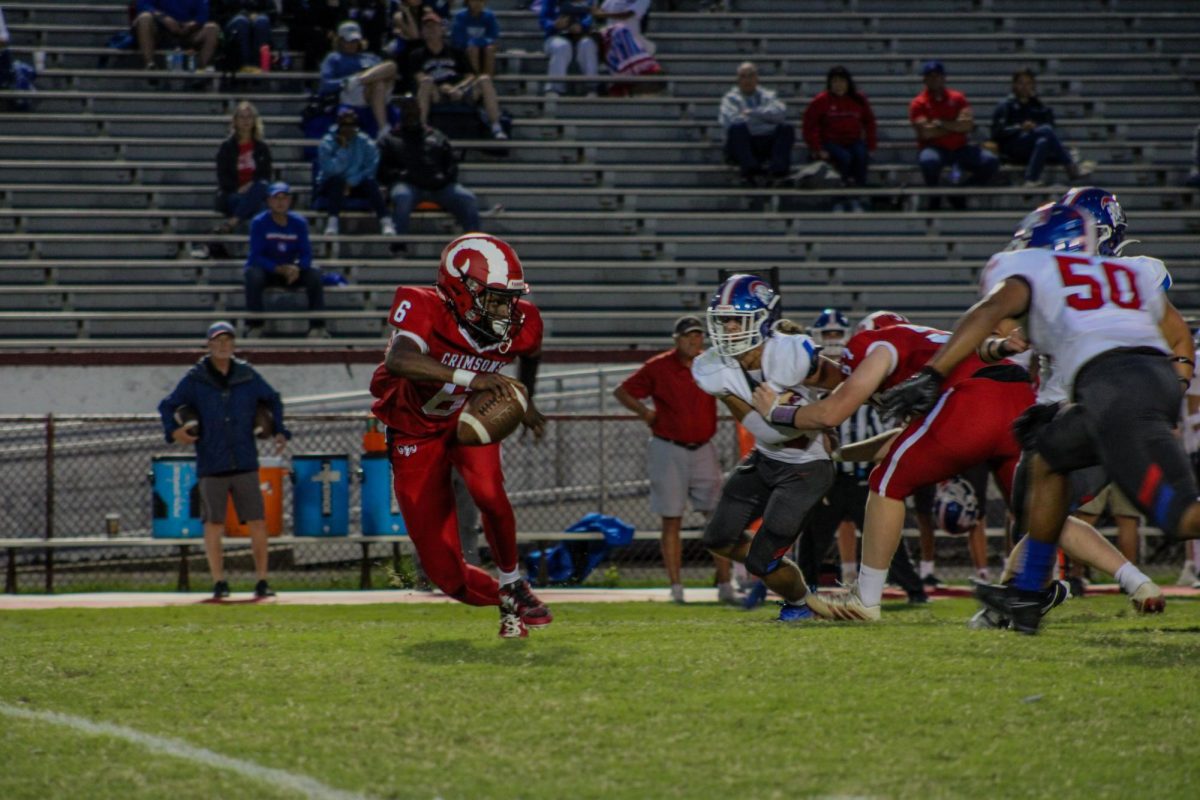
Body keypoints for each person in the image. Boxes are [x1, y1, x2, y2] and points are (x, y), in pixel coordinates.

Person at [882, 202, 1198, 633]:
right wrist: (1175, 386)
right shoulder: (1127, 274)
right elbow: (1178, 328)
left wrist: (932, 374)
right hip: (1126, 386)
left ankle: (1031, 591)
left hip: (1114, 390)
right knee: (1046, 458)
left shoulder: (1040, 269)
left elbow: (986, 313)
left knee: (1180, 518)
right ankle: (1028, 595)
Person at [754, 305, 1155, 624]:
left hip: (974, 401)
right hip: (1015, 398)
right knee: (1042, 512)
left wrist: (778, 414)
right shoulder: (929, 350)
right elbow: (907, 444)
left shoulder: (878, 343)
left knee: (886, 484)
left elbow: (831, 414)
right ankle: (1137, 582)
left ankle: (867, 598)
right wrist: (841, 454)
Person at [369, 232, 551, 638]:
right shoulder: (423, 304)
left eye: (509, 297)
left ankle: (513, 582)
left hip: (467, 417)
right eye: (495, 297)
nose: (506, 308)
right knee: (447, 576)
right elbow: (400, 360)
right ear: (460, 290)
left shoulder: (523, 322)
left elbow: (532, 352)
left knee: (490, 493)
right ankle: (504, 603)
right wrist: (474, 376)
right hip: (413, 430)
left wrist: (528, 400)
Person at [689, 273, 848, 623]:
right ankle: (778, 572)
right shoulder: (714, 367)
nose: (729, 327)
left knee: (762, 562)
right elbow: (766, 431)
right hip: (765, 457)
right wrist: (784, 413)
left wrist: (823, 418)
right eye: (723, 319)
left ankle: (800, 602)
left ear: (763, 319)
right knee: (717, 537)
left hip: (807, 468)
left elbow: (849, 384)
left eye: (737, 318)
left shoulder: (790, 352)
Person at [795, 309, 927, 603]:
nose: (832, 340)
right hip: (835, 474)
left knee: (884, 537)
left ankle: (914, 590)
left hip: (865, 473)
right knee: (812, 541)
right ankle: (802, 594)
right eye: (825, 335)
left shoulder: (884, 370)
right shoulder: (836, 372)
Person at [158, 320, 289, 599]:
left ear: (234, 345)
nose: (223, 346)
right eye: (217, 341)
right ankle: (219, 581)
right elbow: (167, 405)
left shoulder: (246, 374)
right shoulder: (196, 378)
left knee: (256, 520)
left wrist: (279, 429)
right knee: (213, 524)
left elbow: (273, 398)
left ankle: (262, 580)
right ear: (209, 344)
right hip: (211, 460)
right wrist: (174, 432)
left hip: (244, 458)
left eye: (227, 341)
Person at [613, 315, 734, 604]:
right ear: (676, 340)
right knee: (672, 518)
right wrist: (644, 414)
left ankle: (726, 584)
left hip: (703, 446)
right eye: (688, 337)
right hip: (669, 447)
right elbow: (622, 391)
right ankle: (676, 586)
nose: (694, 341)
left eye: (697, 336)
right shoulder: (659, 366)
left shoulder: (710, 362)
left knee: (716, 516)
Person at [378, 95, 482, 249]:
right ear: (401, 113)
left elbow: (451, 163)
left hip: (439, 186)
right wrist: (400, 175)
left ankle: (474, 248)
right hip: (408, 185)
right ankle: (399, 246)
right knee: (402, 196)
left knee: (467, 198)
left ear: (420, 112)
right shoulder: (390, 139)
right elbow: (382, 170)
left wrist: (445, 177)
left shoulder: (436, 135)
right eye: (407, 110)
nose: (411, 114)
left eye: (414, 110)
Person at [244, 182, 329, 339]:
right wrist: (277, 268)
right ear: (269, 201)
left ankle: (318, 326)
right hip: (269, 271)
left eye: (284, 198)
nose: (280, 202)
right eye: (276, 198)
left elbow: (306, 253)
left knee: (315, 274)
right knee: (253, 275)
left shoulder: (299, 222)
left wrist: (297, 267)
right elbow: (256, 256)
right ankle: (254, 325)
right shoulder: (259, 222)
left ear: (290, 201)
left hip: (292, 272)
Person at [909, 60, 998, 209]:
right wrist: (955, 126)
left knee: (990, 161)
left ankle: (961, 192)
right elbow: (926, 133)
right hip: (935, 147)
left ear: (944, 78)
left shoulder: (958, 98)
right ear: (924, 79)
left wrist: (941, 124)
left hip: (960, 147)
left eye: (938, 76)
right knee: (928, 161)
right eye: (930, 76)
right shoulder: (918, 103)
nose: (934, 79)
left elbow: (967, 125)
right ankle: (934, 196)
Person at [408, 8, 506, 139]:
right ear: (422, 32)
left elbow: (470, 75)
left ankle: (495, 125)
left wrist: (458, 88)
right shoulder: (417, 55)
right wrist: (444, 89)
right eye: (427, 27)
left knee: (484, 79)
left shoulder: (456, 51)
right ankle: (422, 127)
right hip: (435, 92)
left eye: (435, 26)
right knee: (426, 82)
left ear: (442, 30)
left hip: (460, 91)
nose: (431, 30)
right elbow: (419, 77)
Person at [990, 69, 1091, 187]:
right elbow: (997, 132)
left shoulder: (1037, 105)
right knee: (1046, 131)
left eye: (1028, 83)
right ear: (1014, 85)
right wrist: (1020, 128)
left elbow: (1050, 124)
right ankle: (1071, 166)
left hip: (1034, 147)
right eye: (1021, 83)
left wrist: (1036, 124)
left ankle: (1031, 179)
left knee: (1043, 141)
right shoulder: (1006, 105)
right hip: (1012, 146)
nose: (1025, 87)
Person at [802, 65, 877, 207]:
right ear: (829, 83)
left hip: (853, 140)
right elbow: (809, 125)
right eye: (835, 81)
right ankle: (838, 196)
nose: (838, 85)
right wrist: (817, 148)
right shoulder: (821, 100)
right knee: (844, 157)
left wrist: (871, 145)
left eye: (842, 81)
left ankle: (857, 194)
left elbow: (870, 122)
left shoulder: (858, 99)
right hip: (830, 141)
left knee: (861, 154)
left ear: (848, 83)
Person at [316, 105, 394, 236]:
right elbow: (331, 170)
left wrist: (352, 181)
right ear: (339, 125)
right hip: (331, 183)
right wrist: (343, 149)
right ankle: (332, 222)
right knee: (337, 181)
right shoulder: (327, 142)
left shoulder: (364, 141)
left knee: (371, 183)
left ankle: (386, 221)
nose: (348, 128)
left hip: (357, 181)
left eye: (352, 125)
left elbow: (371, 167)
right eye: (345, 125)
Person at [719, 62, 794, 187]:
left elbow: (780, 114)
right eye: (743, 76)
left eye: (751, 76)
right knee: (737, 129)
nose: (747, 80)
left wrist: (753, 113)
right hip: (742, 143)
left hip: (764, 141)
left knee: (786, 128)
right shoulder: (729, 99)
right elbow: (731, 121)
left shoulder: (768, 96)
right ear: (738, 80)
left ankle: (778, 173)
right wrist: (766, 120)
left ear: (757, 78)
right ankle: (752, 171)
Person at [318, 20, 398, 137]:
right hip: (350, 92)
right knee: (378, 84)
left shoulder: (370, 57)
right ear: (340, 41)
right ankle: (383, 127)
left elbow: (389, 72)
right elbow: (325, 84)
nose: (352, 44)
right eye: (348, 41)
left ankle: (358, 80)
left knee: (390, 66)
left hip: (374, 90)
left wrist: (360, 78)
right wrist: (346, 81)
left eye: (355, 41)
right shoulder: (334, 58)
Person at [212, 101, 271, 238]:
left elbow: (266, 175)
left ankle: (233, 222)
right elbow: (223, 177)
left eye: (249, 117)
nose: (246, 121)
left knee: (262, 188)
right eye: (242, 117)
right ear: (235, 121)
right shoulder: (227, 147)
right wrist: (238, 189)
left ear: (254, 121)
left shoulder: (262, 148)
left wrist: (250, 186)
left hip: (255, 191)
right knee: (260, 207)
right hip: (233, 194)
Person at [133, 0, 221, 71]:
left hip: (187, 32)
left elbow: (203, 15)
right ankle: (150, 64)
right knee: (144, 18)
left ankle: (200, 69)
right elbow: (143, 5)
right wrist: (164, 18)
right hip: (160, 31)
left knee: (213, 28)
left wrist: (191, 25)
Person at [539, 0, 600, 96]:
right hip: (556, 36)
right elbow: (543, 20)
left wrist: (581, 26)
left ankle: (591, 88)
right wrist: (554, 25)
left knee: (588, 44)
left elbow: (590, 17)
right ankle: (555, 89)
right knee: (561, 46)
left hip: (580, 36)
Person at [1073, 484, 1141, 564]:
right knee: (1127, 523)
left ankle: (1075, 572)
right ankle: (1130, 573)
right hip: (1125, 474)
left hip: (1095, 475)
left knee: (1084, 522)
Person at [213, 0, 274, 73]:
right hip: (233, 21)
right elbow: (220, 12)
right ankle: (245, 65)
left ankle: (260, 67)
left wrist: (257, 15)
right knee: (241, 22)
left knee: (262, 21)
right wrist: (246, 15)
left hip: (258, 19)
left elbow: (273, 12)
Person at [450, 0, 499, 78]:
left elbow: (492, 37)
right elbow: (459, 39)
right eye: (474, 1)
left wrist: (476, 42)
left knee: (490, 49)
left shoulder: (490, 16)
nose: (477, 4)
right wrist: (475, 43)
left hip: (482, 48)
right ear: (468, 2)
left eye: (481, 1)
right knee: (473, 49)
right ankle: (475, 79)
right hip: (466, 49)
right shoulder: (461, 16)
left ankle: (488, 79)